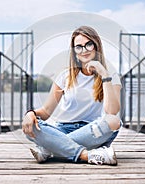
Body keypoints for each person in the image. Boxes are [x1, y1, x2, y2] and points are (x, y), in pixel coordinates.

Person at [22, 25, 122, 165]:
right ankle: (87, 155)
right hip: (62, 128)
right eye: (79, 47)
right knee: (31, 126)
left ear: (96, 45)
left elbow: (111, 112)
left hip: (92, 132)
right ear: (74, 51)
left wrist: (104, 74)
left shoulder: (111, 75)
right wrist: (30, 113)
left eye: (88, 44)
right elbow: (46, 111)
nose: (84, 50)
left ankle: (50, 148)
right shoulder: (65, 76)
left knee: (114, 121)